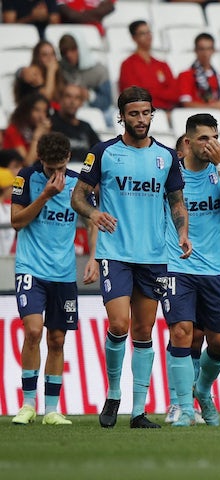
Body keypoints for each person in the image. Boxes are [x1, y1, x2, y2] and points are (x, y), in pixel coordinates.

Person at [71, 86, 192, 429]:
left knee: (143, 330)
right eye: (134, 114)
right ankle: (113, 393)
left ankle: (138, 412)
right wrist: (93, 215)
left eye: (146, 113)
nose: (141, 120)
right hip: (116, 251)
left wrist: (182, 232)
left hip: (153, 254)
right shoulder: (103, 152)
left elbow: (176, 201)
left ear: (152, 115)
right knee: (119, 324)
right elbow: (79, 197)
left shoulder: (166, 156)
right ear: (121, 116)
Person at [162, 113, 220, 427]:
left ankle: (201, 389)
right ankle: (183, 407)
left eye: (214, 137)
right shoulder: (170, 175)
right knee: (182, 334)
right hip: (177, 265)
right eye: (203, 138)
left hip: (214, 270)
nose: (210, 144)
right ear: (187, 142)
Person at [11, 132, 98, 426]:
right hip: (31, 269)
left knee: (57, 339)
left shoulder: (78, 183)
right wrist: (45, 196)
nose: (57, 174)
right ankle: (27, 404)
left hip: (63, 273)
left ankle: (51, 409)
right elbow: (17, 221)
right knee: (33, 331)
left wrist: (94, 258)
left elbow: (93, 221)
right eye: (51, 168)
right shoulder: (26, 177)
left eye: (61, 167)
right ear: (40, 161)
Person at [119, 21, 179, 110]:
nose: (148, 36)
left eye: (149, 32)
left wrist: (150, 91)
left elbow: (175, 93)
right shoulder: (128, 65)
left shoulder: (162, 64)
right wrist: (161, 94)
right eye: (143, 33)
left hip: (167, 111)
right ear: (134, 38)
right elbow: (133, 96)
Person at [58, 33, 113, 121]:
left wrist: (90, 96)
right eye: (65, 52)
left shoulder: (99, 71)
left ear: (81, 48)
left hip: (95, 112)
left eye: (73, 50)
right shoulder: (60, 68)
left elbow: (106, 102)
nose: (69, 55)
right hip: (66, 113)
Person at [177, 33, 220, 111]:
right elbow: (186, 105)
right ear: (195, 50)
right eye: (202, 49)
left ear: (214, 51)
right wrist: (215, 107)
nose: (205, 53)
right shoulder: (185, 75)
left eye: (209, 49)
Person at [50, 83, 101, 164]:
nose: (72, 101)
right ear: (60, 99)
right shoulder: (50, 124)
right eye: (68, 96)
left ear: (81, 102)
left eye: (77, 98)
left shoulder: (86, 126)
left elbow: (100, 151)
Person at [3, 93, 51, 167]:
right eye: (37, 110)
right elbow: (28, 163)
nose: (41, 116)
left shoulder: (41, 129)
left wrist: (47, 136)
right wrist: (37, 136)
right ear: (27, 110)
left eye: (44, 111)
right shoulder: (13, 129)